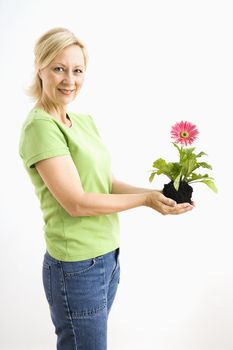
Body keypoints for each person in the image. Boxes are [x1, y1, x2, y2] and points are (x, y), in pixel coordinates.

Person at [19, 27, 194, 350]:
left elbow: (105, 183)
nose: (69, 79)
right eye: (58, 68)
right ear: (40, 68)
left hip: (106, 259)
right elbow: (77, 202)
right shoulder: (41, 128)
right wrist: (144, 200)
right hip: (76, 268)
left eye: (77, 70)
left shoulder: (81, 120)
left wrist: (156, 195)